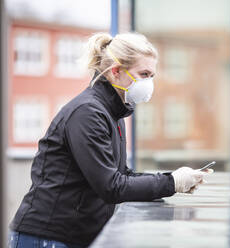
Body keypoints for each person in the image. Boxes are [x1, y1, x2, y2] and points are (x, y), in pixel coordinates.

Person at [8, 32, 212, 248]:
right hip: (48, 236)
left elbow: (121, 175)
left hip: (73, 237)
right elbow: (111, 186)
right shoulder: (87, 113)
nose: (149, 83)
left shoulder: (112, 113)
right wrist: (172, 183)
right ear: (115, 72)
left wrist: (172, 178)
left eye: (152, 76)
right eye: (144, 74)